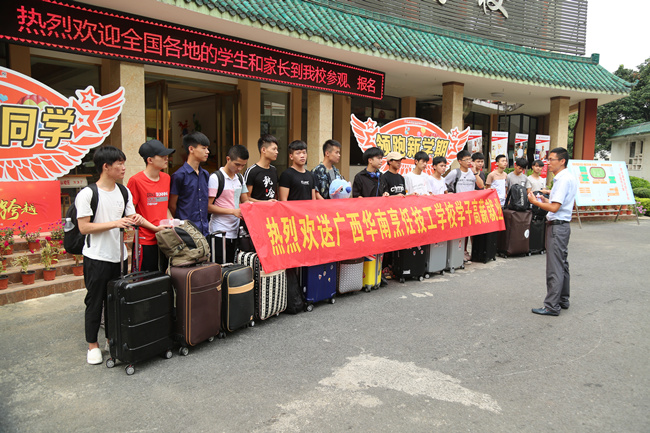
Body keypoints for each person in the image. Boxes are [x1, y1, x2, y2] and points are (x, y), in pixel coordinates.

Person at [76, 146, 158, 365]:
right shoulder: (87, 194)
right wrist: (115, 223)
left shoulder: (123, 192)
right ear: (106, 167)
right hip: (96, 257)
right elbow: (84, 227)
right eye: (119, 164)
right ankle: (92, 344)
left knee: (115, 301)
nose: (123, 168)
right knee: (95, 301)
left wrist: (156, 228)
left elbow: (133, 216)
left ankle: (111, 340)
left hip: (119, 256)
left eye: (124, 163)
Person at [527, 147, 577, 316]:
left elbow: (555, 208)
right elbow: (558, 203)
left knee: (555, 266)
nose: (548, 163)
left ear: (562, 161)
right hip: (562, 226)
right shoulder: (567, 177)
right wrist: (544, 200)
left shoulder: (562, 180)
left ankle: (551, 306)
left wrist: (536, 202)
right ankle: (562, 299)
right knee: (562, 264)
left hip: (557, 226)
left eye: (552, 159)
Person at [126, 139, 174, 272]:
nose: (166, 158)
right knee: (144, 278)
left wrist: (171, 223)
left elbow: (164, 206)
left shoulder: (166, 178)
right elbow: (131, 213)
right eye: (162, 156)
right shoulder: (135, 181)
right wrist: (154, 228)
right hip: (145, 240)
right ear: (150, 160)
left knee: (163, 276)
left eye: (166, 155)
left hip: (164, 238)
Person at [208, 144, 250, 263]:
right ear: (228, 159)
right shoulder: (216, 178)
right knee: (219, 267)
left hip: (236, 232)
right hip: (219, 232)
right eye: (237, 164)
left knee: (232, 267)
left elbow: (245, 200)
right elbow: (208, 206)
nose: (240, 168)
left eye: (243, 165)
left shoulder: (240, 178)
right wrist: (233, 211)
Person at [169, 132, 211, 236]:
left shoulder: (205, 174)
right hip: (186, 231)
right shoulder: (179, 175)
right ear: (191, 149)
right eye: (203, 148)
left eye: (207, 148)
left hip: (204, 230)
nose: (207, 152)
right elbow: (172, 206)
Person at [245, 134, 279, 202]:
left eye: (277, 149)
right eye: (274, 149)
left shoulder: (274, 170)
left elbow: (275, 193)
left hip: (272, 208)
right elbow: (246, 198)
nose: (277, 152)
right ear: (263, 150)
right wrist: (265, 203)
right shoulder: (252, 171)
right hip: (257, 208)